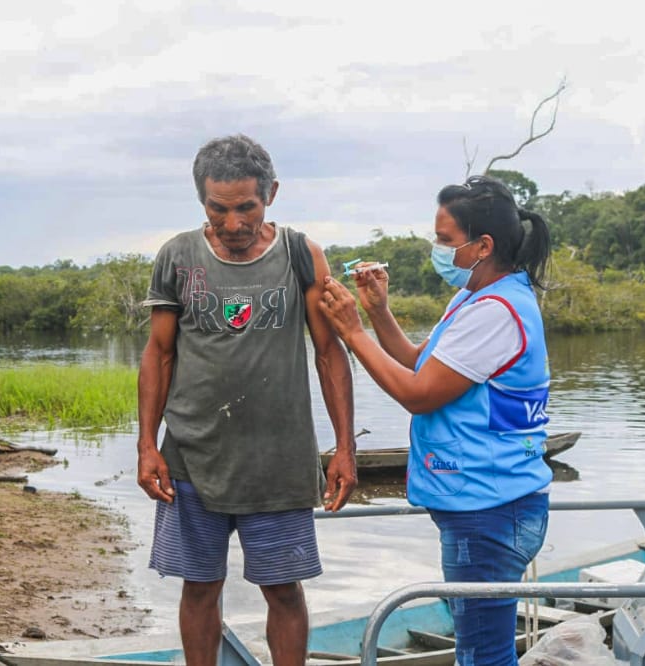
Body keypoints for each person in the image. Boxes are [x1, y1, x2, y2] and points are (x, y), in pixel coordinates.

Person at [137, 134, 357, 666]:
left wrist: (344, 447)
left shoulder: (301, 254)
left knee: (283, 590)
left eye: (246, 208)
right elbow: (159, 354)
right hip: (191, 456)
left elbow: (329, 353)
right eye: (218, 208)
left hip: (278, 461)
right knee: (199, 585)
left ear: (271, 194)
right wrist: (147, 444)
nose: (232, 224)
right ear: (201, 200)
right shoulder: (178, 256)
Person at [318, 175, 553, 666]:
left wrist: (352, 331)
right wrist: (379, 313)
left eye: (446, 240)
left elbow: (418, 395)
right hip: (487, 502)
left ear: (482, 245)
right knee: (480, 647)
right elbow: (416, 362)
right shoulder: (475, 296)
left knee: (482, 656)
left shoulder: (498, 311)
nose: (438, 249)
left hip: (492, 509)